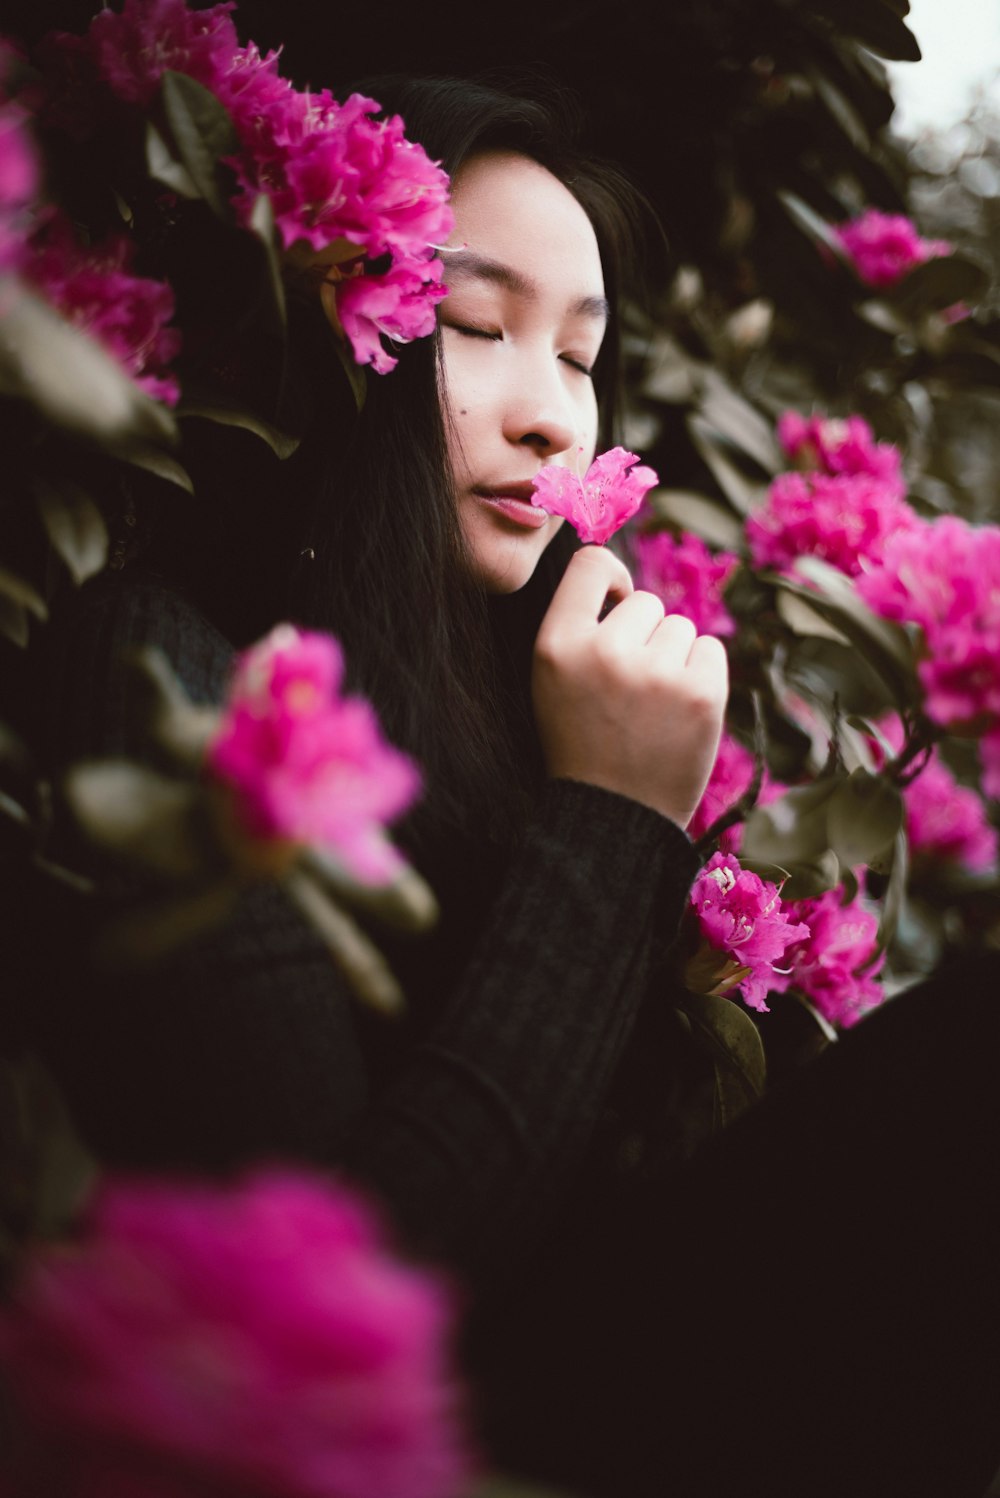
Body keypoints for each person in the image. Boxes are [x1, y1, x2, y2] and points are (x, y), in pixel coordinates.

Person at [28, 76, 1000, 1498]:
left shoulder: (520, 697)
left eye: (583, 356)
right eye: (477, 329)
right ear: (330, 332)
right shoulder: (158, 667)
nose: (551, 415)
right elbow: (335, 1294)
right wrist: (613, 822)